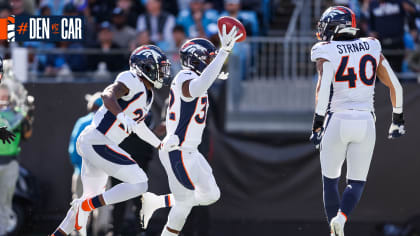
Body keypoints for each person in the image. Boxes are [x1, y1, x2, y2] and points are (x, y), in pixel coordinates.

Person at [50, 45, 174, 236]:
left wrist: (160, 144)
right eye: (159, 66)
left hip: (97, 143)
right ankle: (87, 204)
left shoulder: (147, 94)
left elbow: (139, 127)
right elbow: (108, 94)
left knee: (87, 200)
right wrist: (121, 115)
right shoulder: (132, 79)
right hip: (99, 141)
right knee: (140, 182)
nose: (162, 72)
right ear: (145, 67)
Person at [309, 6, 406, 236]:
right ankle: (342, 218)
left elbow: (323, 90)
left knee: (330, 182)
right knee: (357, 182)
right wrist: (397, 119)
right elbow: (395, 85)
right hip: (365, 121)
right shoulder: (372, 45)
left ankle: (334, 231)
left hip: (337, 118)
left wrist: (317, 123)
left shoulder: (326, 49)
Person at [139, 25, 242, 236]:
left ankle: (158, 201)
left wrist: (214, 69)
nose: (211, 63)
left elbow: (202, 85)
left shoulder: (195, 79)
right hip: (177, 149)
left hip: (191, 151)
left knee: (211, 195)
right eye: (209, 59)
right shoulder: (184, 78)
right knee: (184, 204)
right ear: (196, 59)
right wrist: (223, 52)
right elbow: (198, 87)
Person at [0, 82, 33, 235]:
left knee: (5, 201)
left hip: (10, 161)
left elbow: (26, 135)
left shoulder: (17, 113)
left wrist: (28, 116)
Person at [366, 0, 417, 73]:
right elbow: (371, 25)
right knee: (382, 71)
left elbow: (414, 11)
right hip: (381, 43)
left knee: (397, 70)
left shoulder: (398, 2)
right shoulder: (373, 4)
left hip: (397, 42)